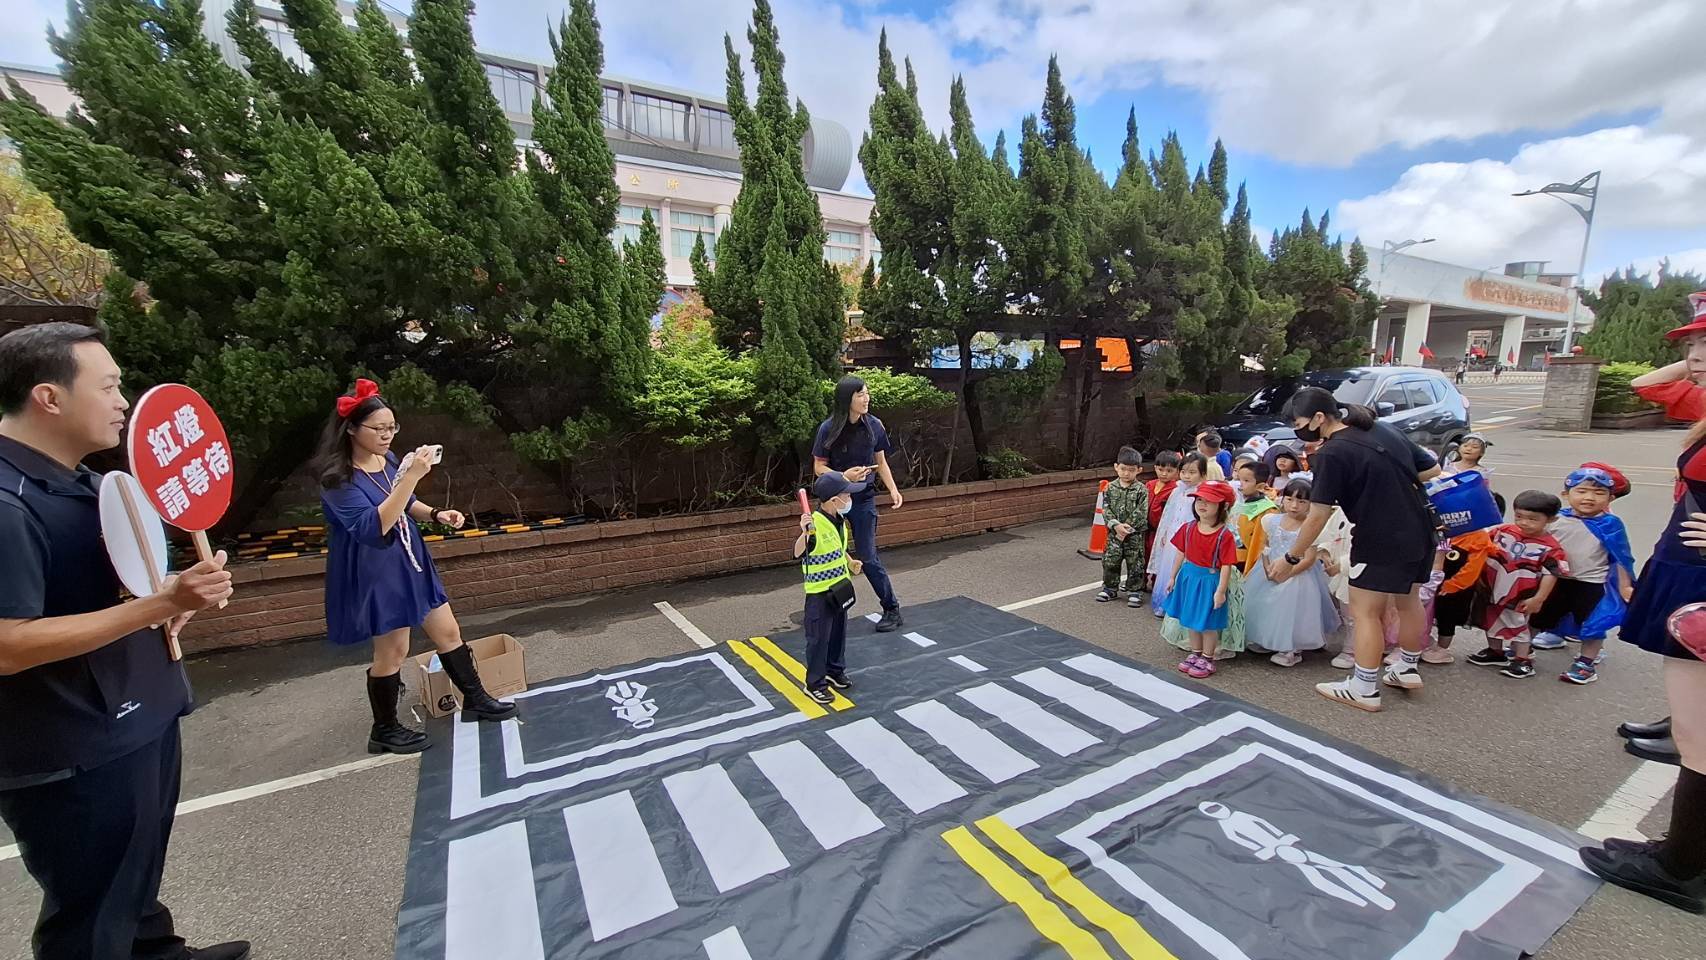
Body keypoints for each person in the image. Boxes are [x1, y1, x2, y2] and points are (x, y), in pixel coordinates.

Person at [0, 323, 248, 960]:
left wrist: (171, 595)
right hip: (73, 744)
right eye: (109, 386)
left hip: (135, 713)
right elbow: (7, 644)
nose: (122, 402)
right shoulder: (7, 502)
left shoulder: (79, 479)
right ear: (50, 398)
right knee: (91, 911)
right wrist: (160, 603)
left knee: (131, 878)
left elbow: (110, 590)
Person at [1581, 290, 1706, 911]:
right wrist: (1694, 363)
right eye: (1693, 343)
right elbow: (1652, 387)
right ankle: (1684, 854)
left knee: (1700, 734)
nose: (1694, 355)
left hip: (1702, 579)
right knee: (1692, 726)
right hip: (1687, 569)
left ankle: (1682, 866)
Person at [315, 379, 517, 755]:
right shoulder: (337, 480)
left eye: (393, 427)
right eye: (380, 429)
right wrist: (409, 477)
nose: (388, 435)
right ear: (352, 429)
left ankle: (475, 699)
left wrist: (436, 514)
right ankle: (385, 729)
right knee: (393, 650)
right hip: (376, 570)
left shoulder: (385, 460)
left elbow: (404, 503)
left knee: (448, 630)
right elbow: (374, 527)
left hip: (409, 559)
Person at [1283, 387, 1441, 712]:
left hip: (1380, 538)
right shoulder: (1380, 427)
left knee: (1366, 611)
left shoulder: (1331, 453)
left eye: (1298, 424)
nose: (1297, 432)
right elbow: (1430, 469)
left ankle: (1364, 687)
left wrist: (1291, 557)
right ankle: (1406, 668)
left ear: (1318, 418)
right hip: (1422, 528)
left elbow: (1317, 515)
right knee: (1409, 601)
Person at [813, 376, 906, 632]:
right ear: (847, 399)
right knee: (828, 554)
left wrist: (893, 489)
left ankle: (891, 608)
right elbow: (818, 467)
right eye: (860, 395)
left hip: (863, 498)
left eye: (867, 393)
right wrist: (843, 477)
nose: (866, 399)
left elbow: (881, 461)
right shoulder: (828, 428)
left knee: (867, 556)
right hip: (835, 499)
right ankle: (829, 609)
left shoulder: (874, 425)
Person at [1529, 467, 1637, 683]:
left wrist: (1625, 586)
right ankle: (1523, 651)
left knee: (1592, 624)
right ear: (1566, 494)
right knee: (1537, 616)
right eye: (1582, 491)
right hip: (1555, 580)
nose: (1589, 498)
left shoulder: (1611, 525)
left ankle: (1586, 663)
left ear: (1611, 498)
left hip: (1590, 583)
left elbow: (1621, 556)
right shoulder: (1555, 519)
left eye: (1599, 493)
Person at [1466, 491, 1570, 680]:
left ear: (1551, 519)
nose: (1524, 522)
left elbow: (1551, 574)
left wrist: (1539, 598)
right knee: (1490, 620)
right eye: (1519, 516)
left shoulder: (1551, 548)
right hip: (1491, 587)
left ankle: (1523, 659)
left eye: (1533, 519)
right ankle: (1495, 651)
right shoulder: (1502, 531)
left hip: (1520, 593)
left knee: (1518, 626)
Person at [1245, 478, 1340, 667]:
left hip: (1298, 573)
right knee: (1263, 604)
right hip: (1270, 568)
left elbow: (1309, 558)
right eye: (1289, 499)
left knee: (1291, 607)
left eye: (1302, 501)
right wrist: (1267, 566)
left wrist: (1288, 572)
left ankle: (1291, 648)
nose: (1294, 506)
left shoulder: (1311, 527)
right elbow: (1266, 545)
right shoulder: (1271, 520)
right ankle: (1266, 638)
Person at [793, 471, 864, 704]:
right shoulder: (815, 525)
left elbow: (837, 548)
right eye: (846, 495)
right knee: (818, 639)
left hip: (839, 588)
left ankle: (834, 670)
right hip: (819, 594)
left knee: (837, 634)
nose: (849, 499)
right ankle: (814, 683)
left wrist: (849, 561)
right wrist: (804, 534)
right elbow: (797, 552)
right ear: (835, 500)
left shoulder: (839, 522)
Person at [1164, 481, 1239, 678]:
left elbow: (1226, 565)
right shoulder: (1188, 528)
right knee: (1190, 620)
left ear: (1223, 506)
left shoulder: (1224, 535)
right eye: (1199, 500)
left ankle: (1208, 658)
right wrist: (1172, 577)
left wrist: (1221, 591)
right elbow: (1181, 553)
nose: (1201, 505)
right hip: (1188, 578)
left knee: (1207, 623)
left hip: (1209, 581)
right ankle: (1195, 653)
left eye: (1209, 501)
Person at [1429, 493, 1504, 664]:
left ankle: (1442, 649)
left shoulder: (1478, 538)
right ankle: (1427, 642)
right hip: (1434, 581)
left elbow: (1472, 569)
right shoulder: (1447, 530)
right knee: (1430, 613)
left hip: (1455, 588)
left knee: (1447, 618)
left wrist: (1452, 585)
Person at [1149, 453, 1207, 619]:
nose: (1187, 476)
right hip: (1174, 534)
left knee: (1184, 568)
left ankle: (1181, 606)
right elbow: (1168, 513)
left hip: (1191, 536)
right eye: (1184, 472)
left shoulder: (1202, 493)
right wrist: (1165, 531)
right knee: (1168, 568)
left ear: (1202, 474)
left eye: (1192, 472)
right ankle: (1164, 603)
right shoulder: (1176, 491)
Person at [1096, 447, 1149, 607]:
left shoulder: (1141, 489)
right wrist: (1116, 525)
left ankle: (1135, 590)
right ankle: (1110, 588)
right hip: (1114, 534)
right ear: (1116, 467)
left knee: (1135, 562)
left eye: (1131, 470)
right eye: (1123, 469)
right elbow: (1106, 509)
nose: (1126, 473)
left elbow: (1142, 511)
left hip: (1134, 535)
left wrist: (1127, 527)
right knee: (1111, 561)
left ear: (1139, 470)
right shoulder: (1110, 488)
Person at [1233, 461, 1278, 579]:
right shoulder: (1239, 503)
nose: (1240, 484)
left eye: (1246, 481)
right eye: (1239, 479)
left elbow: (1259, 544)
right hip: (1231, 557)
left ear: (1261, 485)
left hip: (1247, 562)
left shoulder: (1267, 510)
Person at [1144, 451, 1182, 586]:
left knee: (1159, 556)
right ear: (1155, 468)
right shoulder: (1150, 485)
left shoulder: (1175, 489)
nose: (1164, 474)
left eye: (1169, 470)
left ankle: (1157, 582)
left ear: (1177, 471)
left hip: (1161, 530)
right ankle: (1140, 581)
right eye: (1161, 469)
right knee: (1143, 555)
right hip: (1146, 528)